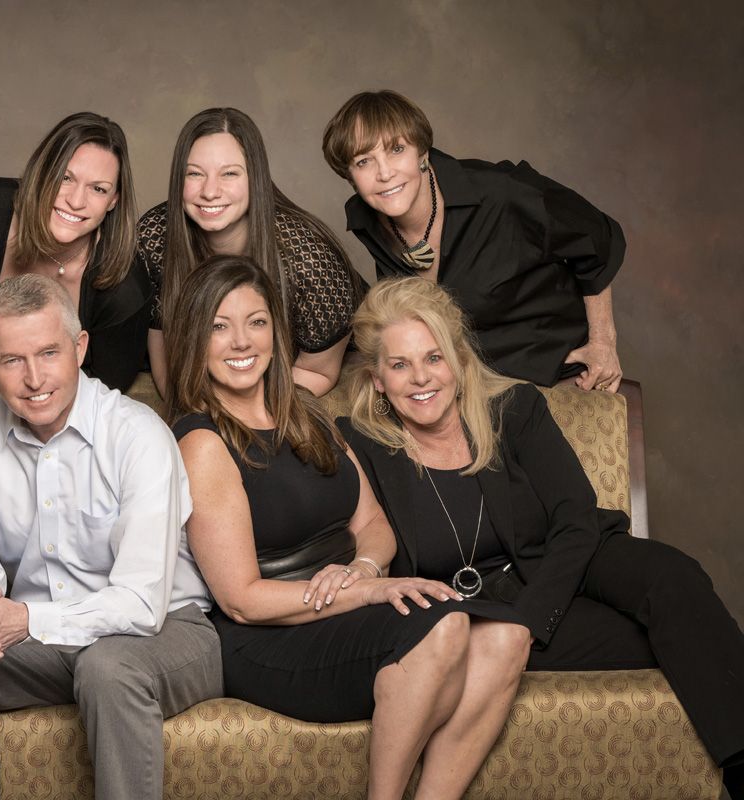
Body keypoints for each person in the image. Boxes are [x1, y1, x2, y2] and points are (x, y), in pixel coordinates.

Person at [339, 276, 744, 796]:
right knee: (679, 639)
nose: (421, 378)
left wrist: (532, 619)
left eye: (434, 358)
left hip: (563, 569)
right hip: (474, 620)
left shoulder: (514, 410)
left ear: (458, 363)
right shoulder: (362, 443)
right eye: (400, 365)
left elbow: (575, 519)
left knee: (677, 582)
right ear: (377, 380)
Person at [167, 255, 531, 800]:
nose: (241, 341)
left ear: (277, 334)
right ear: (196, 338)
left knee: (508, 634)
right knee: (445, 623)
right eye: (220, 326)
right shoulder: (201, 442)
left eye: (257, 322)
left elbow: (373, 524)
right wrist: (366, 591)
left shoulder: (306, 412)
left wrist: (361, 565)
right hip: (268, 637)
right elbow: (242, 601)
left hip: (343, 598)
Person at [0, 274, 222, 800]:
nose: (34, 378)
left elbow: (141, 605)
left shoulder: (138, 435)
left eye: (49, 352)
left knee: (108, 666)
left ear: (79, 348)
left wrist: (25, 619)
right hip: (40, 640)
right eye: (12, 360)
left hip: (165, 633)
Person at [323, 90, 624, 391]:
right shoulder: (368, 222)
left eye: (396, 150)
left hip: (553, 370)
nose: (385, 173)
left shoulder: (501, 192)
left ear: (422, 152)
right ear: (350, 176)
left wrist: (603, 341)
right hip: (461, 381)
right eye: (364, 161)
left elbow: (598, 239)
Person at [138, 107, 366, 398]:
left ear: (255, 177)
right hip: (227, 366)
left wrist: (245, 418)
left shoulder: (309, 258)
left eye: (229, 173)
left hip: (306, 369)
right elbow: (164, 348)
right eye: (194, 174)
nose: (210, 191)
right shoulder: (156, 234)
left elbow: (316, 371)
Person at [0, 112, 150, 393]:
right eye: (65, 178)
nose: (76, 201)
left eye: (98, 189)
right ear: (42, 173)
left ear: (113, 201)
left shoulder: (125, 290)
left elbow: (103, 390)